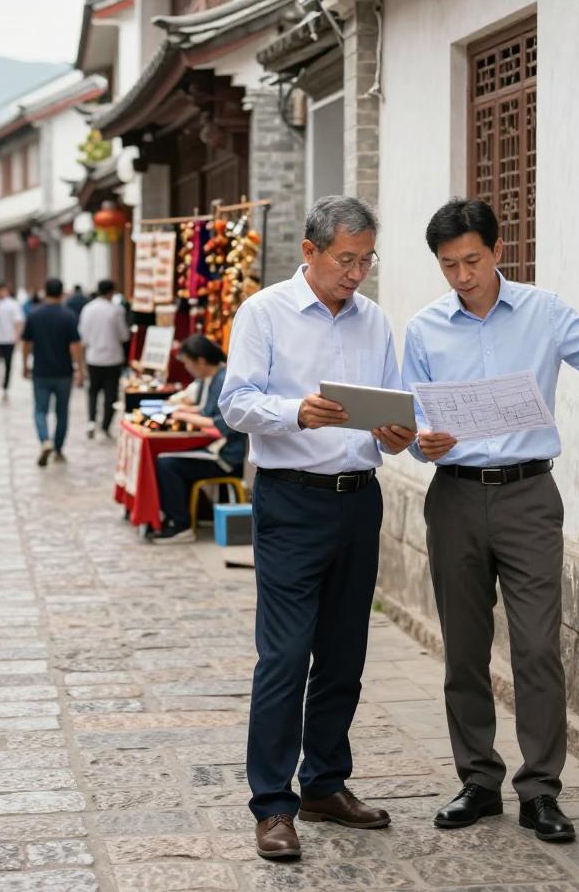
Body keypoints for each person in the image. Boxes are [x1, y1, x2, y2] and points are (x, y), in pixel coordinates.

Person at [401, 198, 579, 843]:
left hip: (528, 498)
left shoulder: (544, 311)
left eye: (472, 260)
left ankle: (542, 790)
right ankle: (477, 781)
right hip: (455, 496)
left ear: (499, 251)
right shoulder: (422, 330)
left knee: (536, 648)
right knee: (463, 649)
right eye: (448, 266)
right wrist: (421, 442)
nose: (462, 275)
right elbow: (410, 422)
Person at [219, 195, 415, 862]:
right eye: (345, 259)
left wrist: (397, 433)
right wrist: (294, 412)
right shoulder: (264, 313)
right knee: (284, 656)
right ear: (310, 252)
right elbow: (236, 402)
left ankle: (325, 783)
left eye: (366, 260)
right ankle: (272, 805)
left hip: (359, 501)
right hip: (290, 503)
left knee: (343, 655)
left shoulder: (375, 322)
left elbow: (393, 416)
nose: (356, 273)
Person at [150, 335, 245, 543]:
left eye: (188, 363)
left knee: (167, 464)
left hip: (226, 455)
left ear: (200, 361)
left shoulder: (222, 379)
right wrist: (187, 410)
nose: (187, 368)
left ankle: (180, 524)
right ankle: (187, 515)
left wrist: (183, 414)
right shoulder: (212, 378)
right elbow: (206, 411)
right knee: (167, 460)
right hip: (216, 447)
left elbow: (221, 422)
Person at [22, 277, 84, 467]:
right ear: (61, 292)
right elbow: (75, 345)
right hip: (63, 371)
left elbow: (26, 342)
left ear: (45, 291)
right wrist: (80, 368)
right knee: (62, 411)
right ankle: (58, 447)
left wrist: (25, 364)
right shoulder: (68, 315)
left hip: (41, 370)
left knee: (40, 410)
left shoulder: (34, 314)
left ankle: (44, 440)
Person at [78, 279, 129, 438]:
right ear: (111, 292)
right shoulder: (116, 310)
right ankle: (106, 425)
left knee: (93, 391)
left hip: (93, 357)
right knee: (110, 394)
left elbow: (83, 335)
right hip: (113, 358)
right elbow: (124, 335)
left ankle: (91, 420)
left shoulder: (88, 309)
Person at [0, 283, 24, 398]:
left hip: (9, 339)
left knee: (8, 363)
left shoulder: (13, 304)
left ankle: (5, 385)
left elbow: (18, 321)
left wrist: (17, 335)